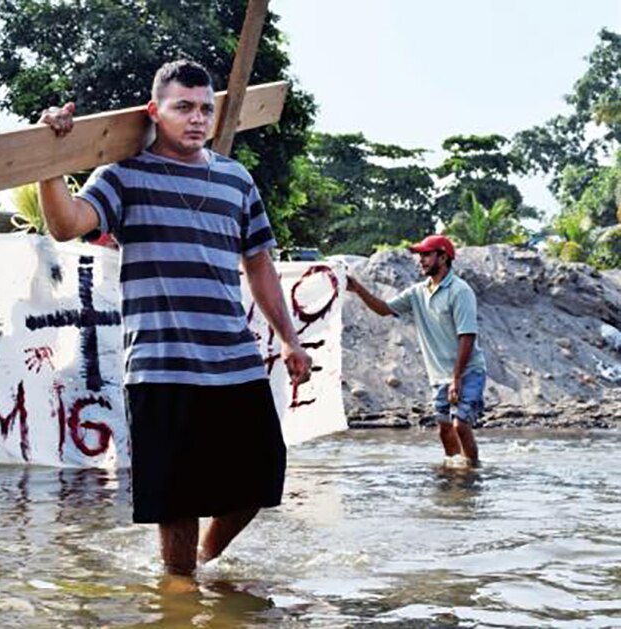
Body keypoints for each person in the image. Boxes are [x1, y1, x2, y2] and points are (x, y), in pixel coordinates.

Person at [36, 60, 312, 577]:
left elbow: (259, 265)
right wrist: (54, 160)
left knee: (262, 479)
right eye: (183, 107)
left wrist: (290, 340)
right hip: (162, 366)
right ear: (154, 112)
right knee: (177, 501)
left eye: (206, 108)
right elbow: (66, 225)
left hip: (235, 360)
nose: (197, 118)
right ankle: (180, 593)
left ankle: (206, 559)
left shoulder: (236, 180)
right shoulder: (123, 178)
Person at [346, 234, 487, 467]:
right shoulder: (417, 292)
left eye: (426, 255)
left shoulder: (460, 291)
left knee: (460, 424)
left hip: (467, 372)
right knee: (444, 428)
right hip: (438, 375)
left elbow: (467, 336)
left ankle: (472, 473)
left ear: (443, 257)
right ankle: (453, 471)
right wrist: (358, 289)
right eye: (420, 255)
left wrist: (456, 378)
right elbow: (384, 309)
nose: (420, 260)